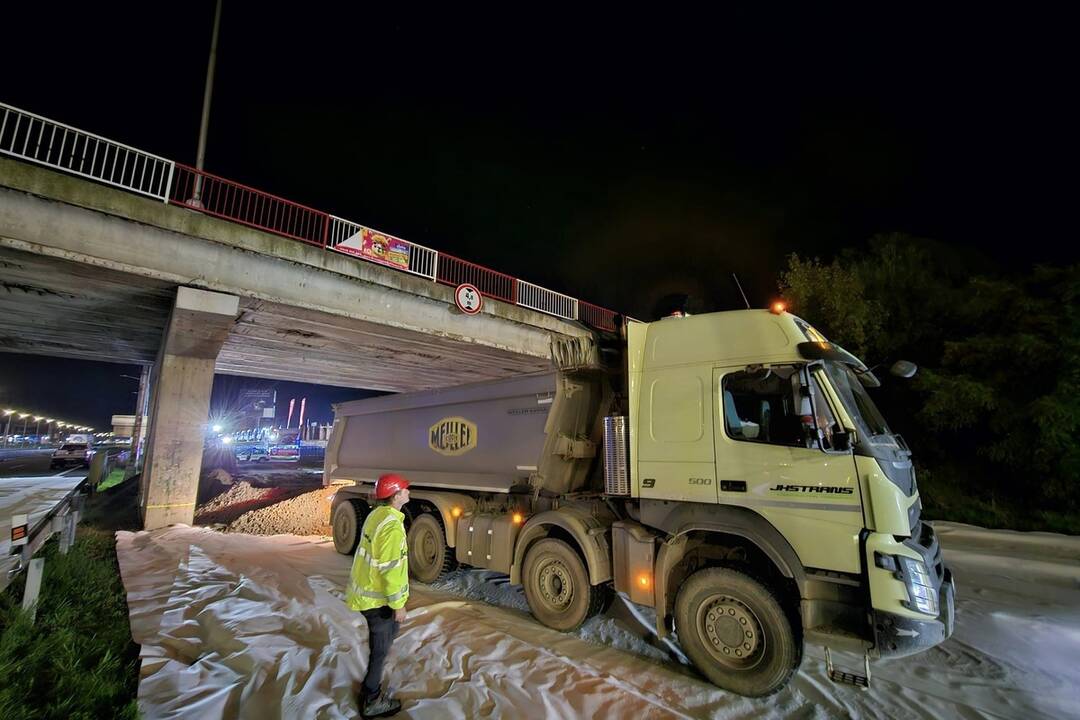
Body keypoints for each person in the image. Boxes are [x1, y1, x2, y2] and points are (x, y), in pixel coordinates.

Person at [346, 473, 411, 718]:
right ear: (396, 496)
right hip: (379, 601)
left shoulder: (377, 515)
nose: (408, 493)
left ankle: (371, 691)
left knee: (387, 637)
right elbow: (390, 570)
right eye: (405, 490)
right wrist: (399, 605)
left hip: (366, 595)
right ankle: (371, 699)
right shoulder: (392, 527)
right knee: (380, 650)